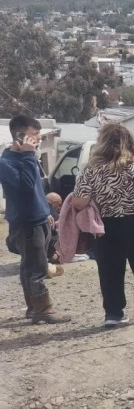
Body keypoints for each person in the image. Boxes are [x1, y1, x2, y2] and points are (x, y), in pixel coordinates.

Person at [72, 123, 134, 327]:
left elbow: (79, 201)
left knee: (110, 271)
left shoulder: (92, 169)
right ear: (129, 142)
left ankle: (114, 314)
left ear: (102, 144)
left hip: (108, 227)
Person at [0, 115, 70, 324]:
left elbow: (37, 191)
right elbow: (27, 185)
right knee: (36, 268)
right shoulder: (7, 162)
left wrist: (45, 210)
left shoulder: (26, 158)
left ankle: (33, 307)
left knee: (30, 265)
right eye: (34, 135)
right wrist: (29, 156)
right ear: (20, 136)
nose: (38, 139)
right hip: (27, 223)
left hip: (37, 218)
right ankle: (43, 309)